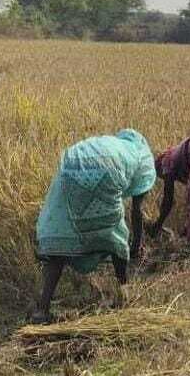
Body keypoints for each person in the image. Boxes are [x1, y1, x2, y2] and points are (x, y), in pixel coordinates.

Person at [31, 129, 156, 324]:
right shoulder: (141, 160)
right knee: (116, 237)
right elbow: (137, 209)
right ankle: (125, 292)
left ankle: (42, 310)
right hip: (104, 169)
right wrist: (136, 245)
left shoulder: (117, 145)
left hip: (71, 165)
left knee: (61, 240)